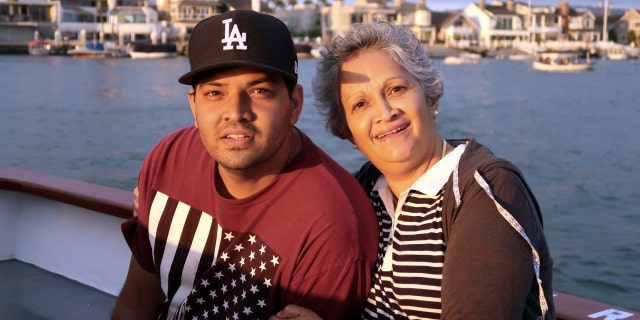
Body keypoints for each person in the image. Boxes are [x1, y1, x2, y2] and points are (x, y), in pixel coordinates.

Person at [271, 21, 556, 319]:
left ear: (430, 97)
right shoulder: (358, 195)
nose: (384, 112)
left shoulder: (484, 189)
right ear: (347, 132)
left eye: (396, 89)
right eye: (360, 105)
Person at [111, 10, 379, 320]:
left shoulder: (333, 228)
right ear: (193, 106)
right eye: (214, 92)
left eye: (259, 91)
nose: (235, 112)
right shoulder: (168, 159)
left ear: (294, 105)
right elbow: (136, 301)